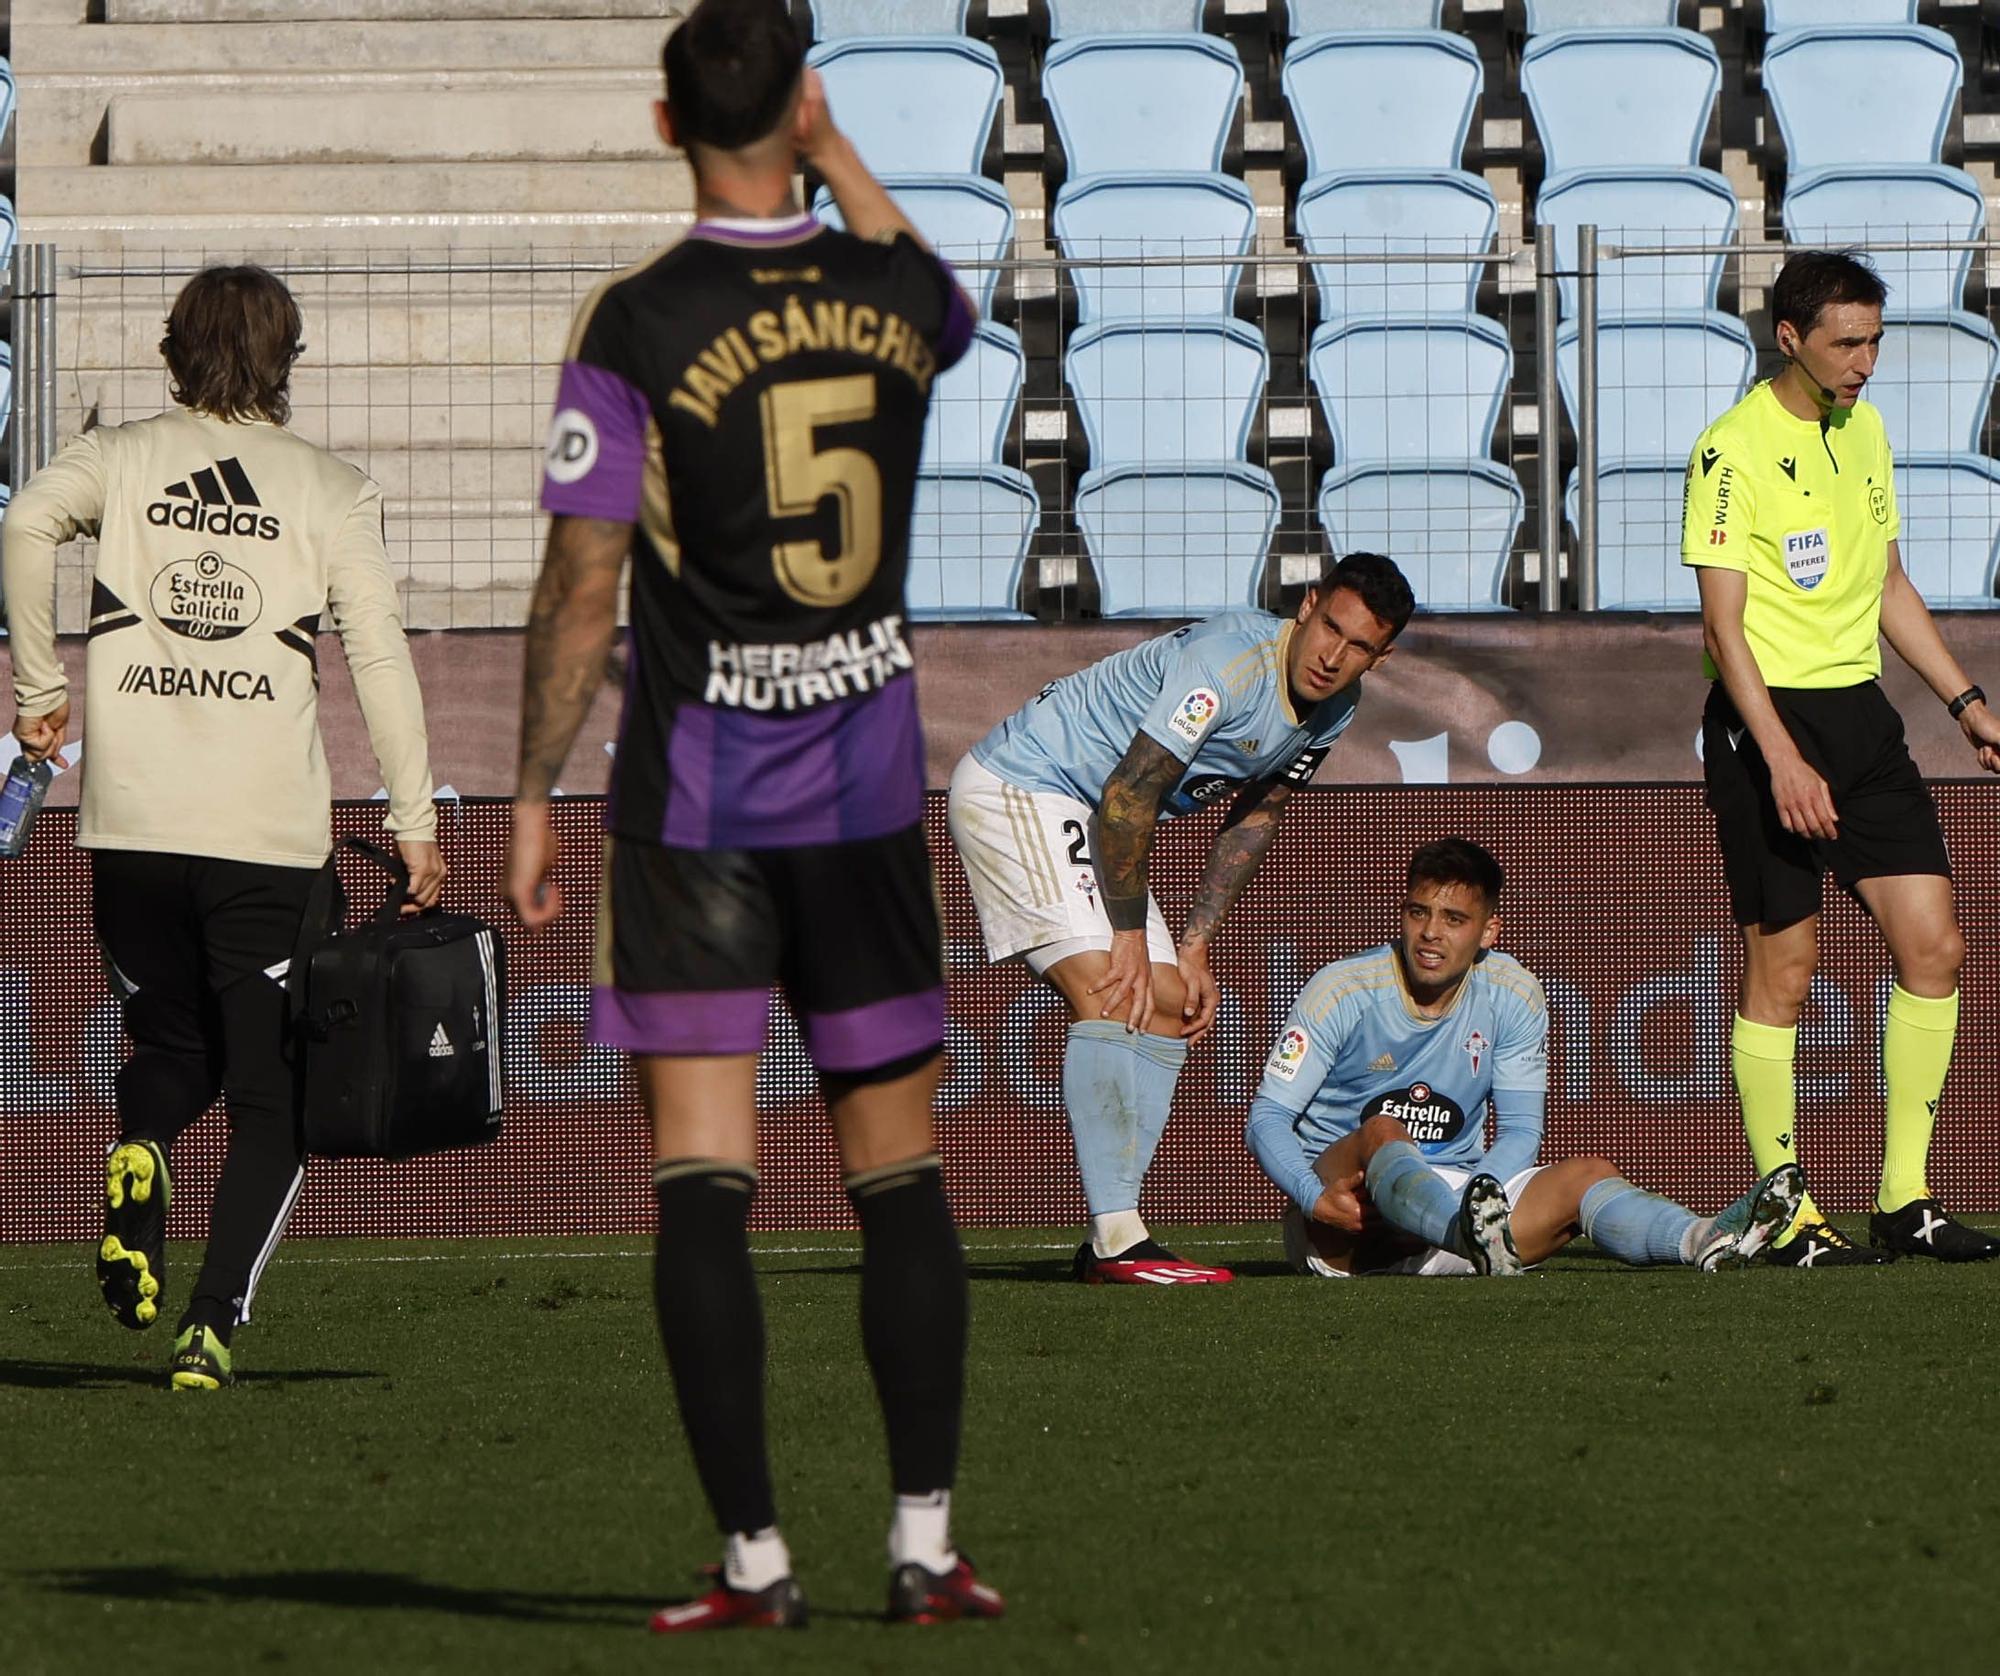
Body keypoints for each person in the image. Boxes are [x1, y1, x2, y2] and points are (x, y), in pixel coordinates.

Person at [502, 0, 1000, 1634]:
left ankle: (756, 1563)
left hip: (698, 805)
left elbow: (584, 592)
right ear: (799, 107)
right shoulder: (885, 290)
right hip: (863, 800)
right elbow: (955, 304)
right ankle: (923, 1544)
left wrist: (526, 790)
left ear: (661, 125)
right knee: (900, 1177)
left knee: (703, 1181)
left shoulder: (636, 322)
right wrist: (838, 149)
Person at [1, 263, 444, 1389]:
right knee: (273, 1098)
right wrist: (411, 817)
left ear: (170, 352)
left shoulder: (120, 456)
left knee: (167, 1049)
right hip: (262, 836)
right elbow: (379, 654)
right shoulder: (329, 488)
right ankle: (209, 1323)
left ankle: (141, 1148)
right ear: (287, 362)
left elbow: (21, 518)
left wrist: (40, 686)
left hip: (130, 825)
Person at [949, 552, 1414, 1285]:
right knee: (1112, 988)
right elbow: (1133, 793)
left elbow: (1257, 815)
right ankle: (1117, 1240)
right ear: (1308, 605)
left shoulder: (1337, 706)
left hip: (1089, 810)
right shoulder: (1225, 666)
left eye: (1360, 647)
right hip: (1025, 785)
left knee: (1168, 1004)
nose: (1334, 655)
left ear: (1381, 657)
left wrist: (1195, 944)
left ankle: (1115, 1234)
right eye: (1331, 628)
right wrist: (1129, 937)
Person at [1682, 248, 2000, 1267]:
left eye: (1873, 340)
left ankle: (1901, 1198)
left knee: (1934, 946)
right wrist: (1776, 757)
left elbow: (1888, 581)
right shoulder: (1727, 448)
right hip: (1761, 725)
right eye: (1845, 342)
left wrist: (1963, 701)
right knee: (1784, 965)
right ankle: (1781, 1206)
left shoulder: (1862, 430)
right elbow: (1724, 632)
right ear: (1789, 338)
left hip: (1857, 720)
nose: (1865, 362)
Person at [1247, 839, 1805, 1278]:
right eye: (1418, 913)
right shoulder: (1343, 989)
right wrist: (1313, 1197)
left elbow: (1519, 1132)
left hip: (1456, 1219)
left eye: (1453, 919)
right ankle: (1467, 1231)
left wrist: (1474, 1196)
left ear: (1489, 930)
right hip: (1345, 1222)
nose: (1430, 934)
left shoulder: (1513, 992)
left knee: (1590, 1173)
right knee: (1383, 1129)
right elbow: (1267, 1119)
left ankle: (1701, 1239)